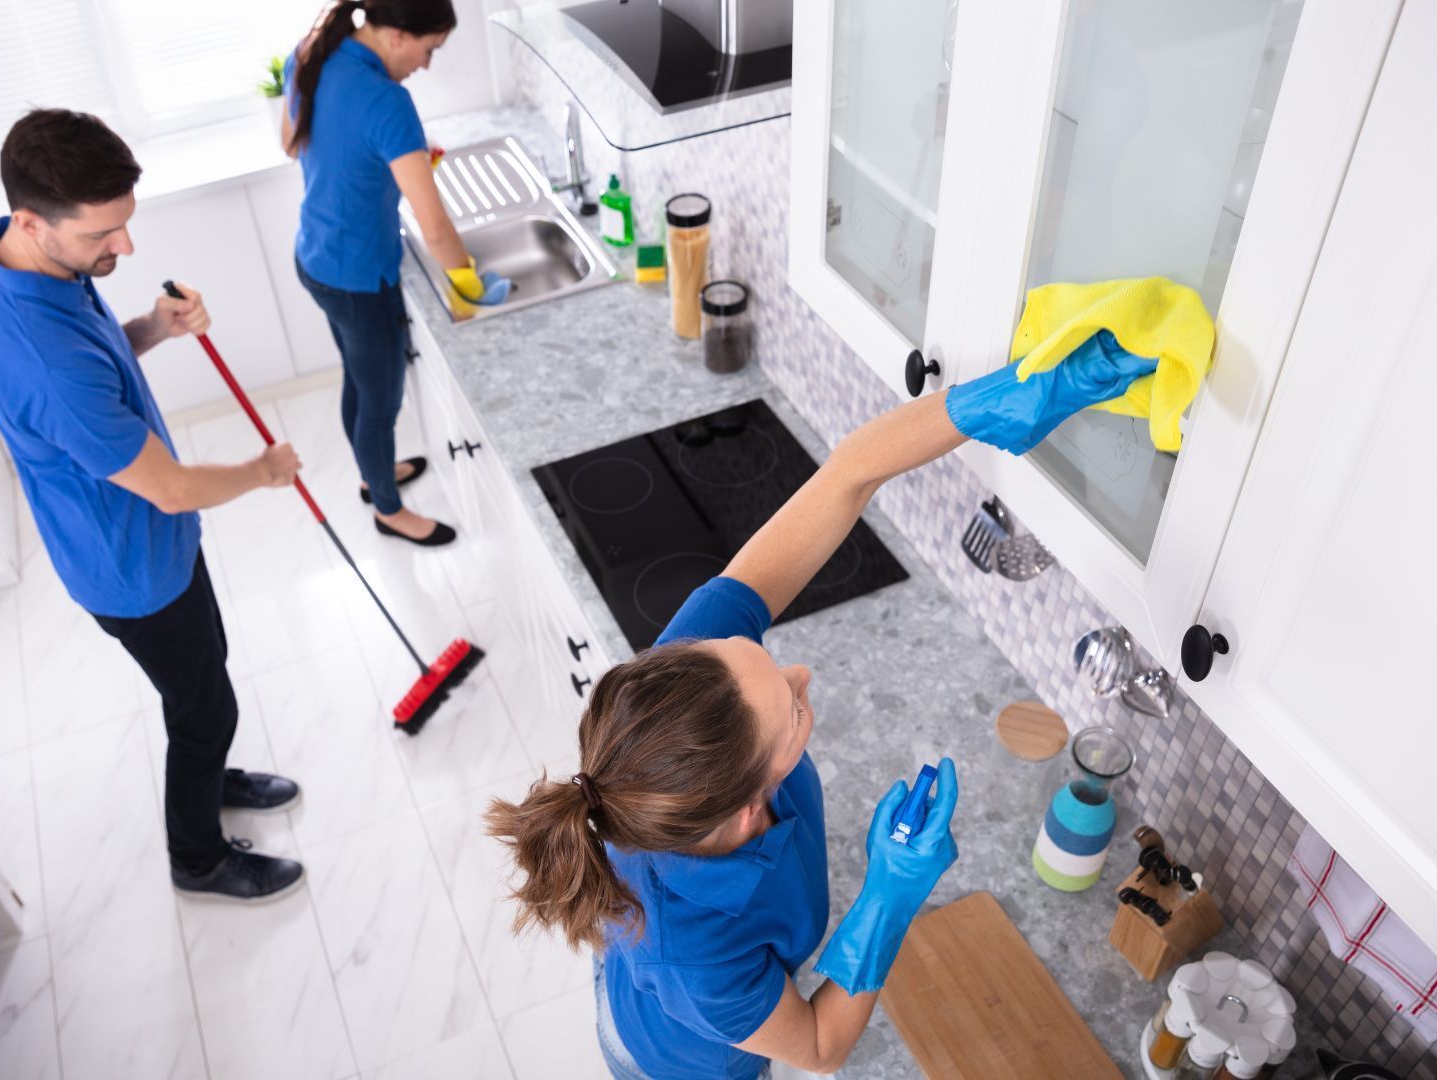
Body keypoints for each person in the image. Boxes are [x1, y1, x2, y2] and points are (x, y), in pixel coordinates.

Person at [486, 332, 1159, 1077]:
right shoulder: (697, 951)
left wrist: (989, 403)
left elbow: (848, 475)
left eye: (770, 665)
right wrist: (890, 893)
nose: (799, 673)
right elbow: (817, 1045)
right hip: (677, 1060)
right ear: (748, 808)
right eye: (793, 712)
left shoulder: (688, 688)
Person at [0, 109, 306, 903]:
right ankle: (197, 860)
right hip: (132, 567)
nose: (124, 248)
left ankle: (213, 773)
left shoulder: (15, 260)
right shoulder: (45, 360)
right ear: (32, 220)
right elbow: (172, 487)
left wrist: (153, 325)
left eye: (125, 225)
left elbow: (98, 364)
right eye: (104, 236)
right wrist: (263, 470)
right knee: (202, 710)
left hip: (144, 542)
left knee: (205, 679)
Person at [280, 0, 510, 547]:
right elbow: (435, 229)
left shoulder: (315, 53)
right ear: (399, 35)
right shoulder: (389, 102)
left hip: (315, 255)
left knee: (357, 381)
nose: (427, 64)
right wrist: (468, 283)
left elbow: (294, 144)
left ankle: (369, 473)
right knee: (380, 402)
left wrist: (391, 158)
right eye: (430, 50)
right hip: (361, 278)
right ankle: (387, 508)